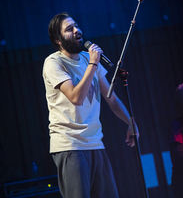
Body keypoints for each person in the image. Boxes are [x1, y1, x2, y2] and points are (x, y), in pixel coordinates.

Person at [42, 12, 138, 198]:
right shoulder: (54, 63)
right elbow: (76, 98)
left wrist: (130, 121)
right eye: (69, 29)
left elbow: (111, 98)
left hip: (95, 143)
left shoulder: (87, 59)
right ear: (58, 39)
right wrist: (93, 63)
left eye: (77, 26)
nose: (77, 31)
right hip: (71, 145)